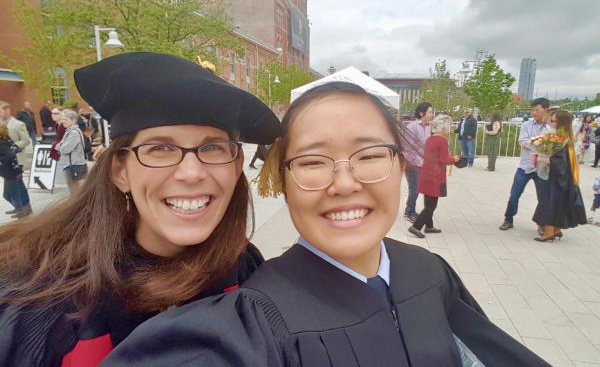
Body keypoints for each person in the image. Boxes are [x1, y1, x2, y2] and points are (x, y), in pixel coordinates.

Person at [104, 82, 551, 367]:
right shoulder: (252, 322)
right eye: (313, 162)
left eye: (371, 155)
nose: (344, 183)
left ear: (401, 166)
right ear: (283, 181)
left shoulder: (431, 275)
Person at [0, 52, 281, 366]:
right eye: (160, 148)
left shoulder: (243, 267)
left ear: (236, 164)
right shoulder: (41, 303)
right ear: (120, 171)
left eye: (212, 147)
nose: (191, 172)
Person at [533, 110, 587, 242]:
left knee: (551, 202)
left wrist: (548, 160)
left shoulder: (561, 139)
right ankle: (556, 230)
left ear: (561, 123)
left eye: (552, 120)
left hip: (559, 178)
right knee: (558, 202)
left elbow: (561, 161)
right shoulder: (562, 137)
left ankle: (549, 231)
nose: (549, 122)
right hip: (562, 177)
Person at [499, 98, 550, 231]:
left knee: (543, 198)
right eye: (532, 110)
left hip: (542, 167)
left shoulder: (551, 127)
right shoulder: (527, 125)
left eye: (537, 110)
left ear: (545, 110)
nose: (534, 113)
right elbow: (523, 141)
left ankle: (541, 223)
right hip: (525, 166)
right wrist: (538, 144)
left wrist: (534, 143)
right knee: (514, 195)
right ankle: (508, 219)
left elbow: (551, 146)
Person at [408, 114, 459, 238]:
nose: (449, 129)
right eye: (448, 127)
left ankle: (429, 226)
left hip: (426, 175)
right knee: (431, 206)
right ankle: (416, 226)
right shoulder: (442, 141)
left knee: (428, 202)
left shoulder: (430, 139)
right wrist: (454, 158)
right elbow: (443, 160)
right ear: (443, 128)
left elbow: (435, 157)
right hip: (435, 177)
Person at [401, 102, 432, 223]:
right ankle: (409, 212)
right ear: (421, 113)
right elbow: (407, 149)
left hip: (423, 163)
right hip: (412, 164)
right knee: (414, 188)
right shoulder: (412, 127)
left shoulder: (427, 127)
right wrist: (419, 162)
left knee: (418, 188)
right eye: (429, 112)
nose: (431, 115)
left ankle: (410, 210)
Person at [0, 124, 32, 219]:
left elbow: (10, 155)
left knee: (11, 194)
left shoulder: (1, 143)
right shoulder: (7, 140)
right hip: (13, 171)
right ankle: (21, 208)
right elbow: (15, 150)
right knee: (16, 192)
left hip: (11, 172)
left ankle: (22, 209)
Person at [56, 110, 89, 192]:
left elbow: (64, 149)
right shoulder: (69, 131)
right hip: (71, 164)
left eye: (65, 119)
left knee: (75, 192)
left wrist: (59, 147)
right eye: (62, 119)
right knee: (74, 190)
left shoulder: (74, 133)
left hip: (74, 165)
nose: (63, 121)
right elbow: (60, 145)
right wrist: (60, 146)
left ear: (73, 120)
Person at [0, 101, 31, 167]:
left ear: (7, 111)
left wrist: (13, 146)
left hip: (17, 160)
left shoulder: (19, 124)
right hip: (2, 161)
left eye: (0, 111)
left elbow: (26, 140)